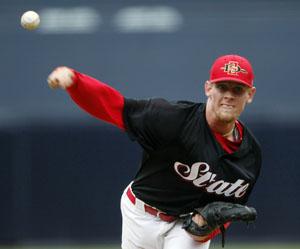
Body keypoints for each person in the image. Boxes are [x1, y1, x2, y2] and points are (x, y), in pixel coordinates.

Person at [47, 54, 261, 249]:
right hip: (140, 214)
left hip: (185, 227)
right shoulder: (172, 119)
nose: (229, 95)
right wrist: (76, 83)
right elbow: (115, 107)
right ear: (208, 88)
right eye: (222, 87)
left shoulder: (249, 157)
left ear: (250, 95)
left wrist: (204, 229)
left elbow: (229, 211)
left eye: (237, 89)